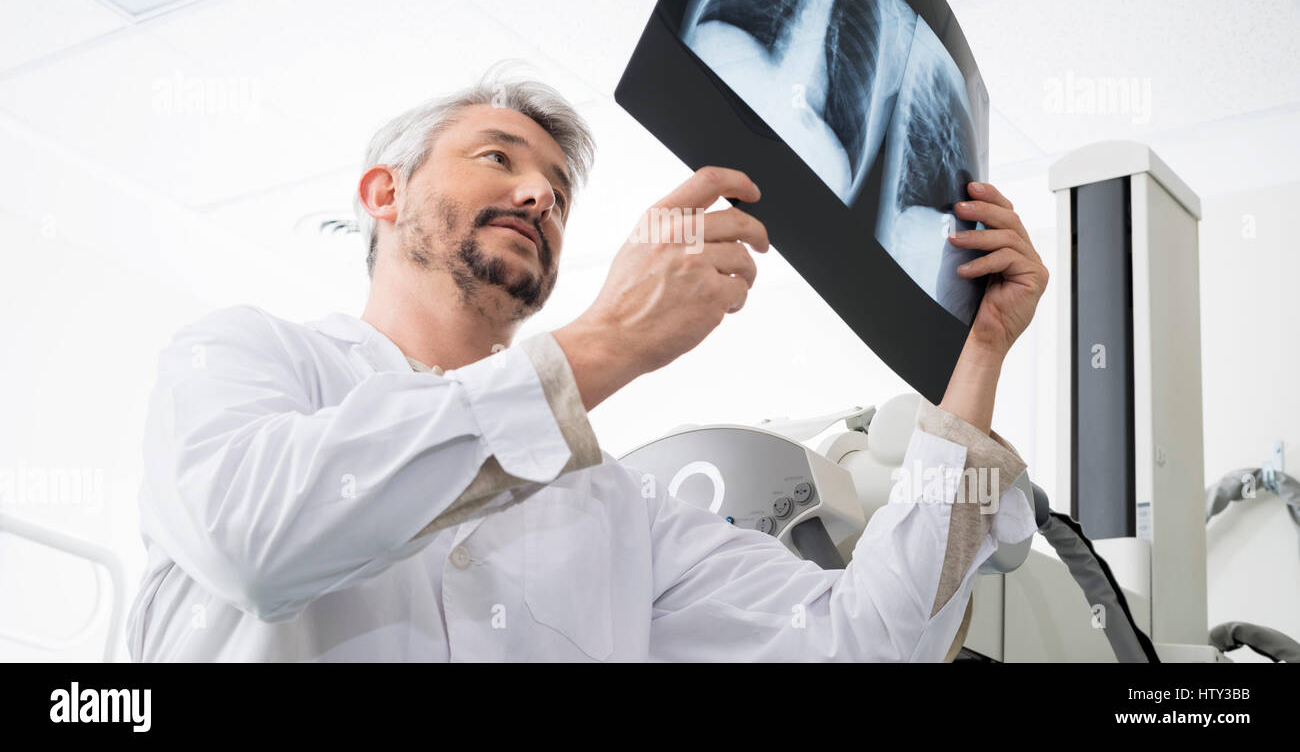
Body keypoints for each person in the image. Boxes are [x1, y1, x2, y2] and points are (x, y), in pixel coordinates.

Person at [125, 62, 1049, 662]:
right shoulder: (245, 358)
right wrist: (609, 341)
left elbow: (868, 639)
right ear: (384, 191)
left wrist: (977, 359)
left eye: (560, 195)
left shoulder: (617, 511)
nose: (538, 194)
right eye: (498, 157)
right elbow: (255, 540)